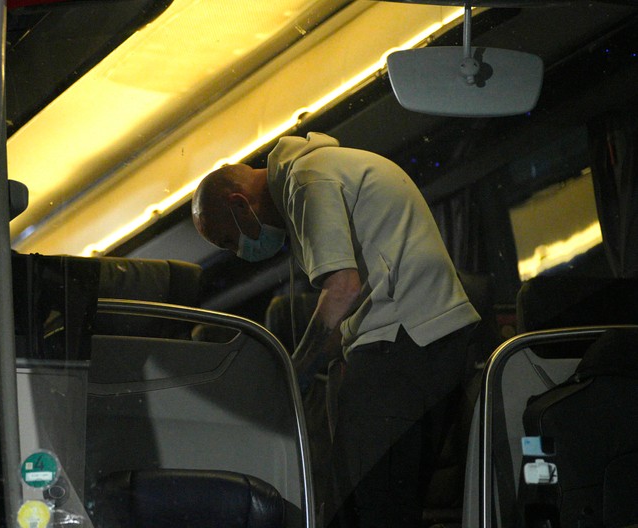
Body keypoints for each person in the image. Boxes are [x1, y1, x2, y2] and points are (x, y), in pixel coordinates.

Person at [191, 132, 480, 528]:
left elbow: (343, 289)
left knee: (367, 510)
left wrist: (294, 374)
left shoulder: (308, 179)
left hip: (401, 343)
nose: (237, 252)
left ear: (240, 204)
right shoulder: (326, 169)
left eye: (228, 240)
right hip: (424, 340)